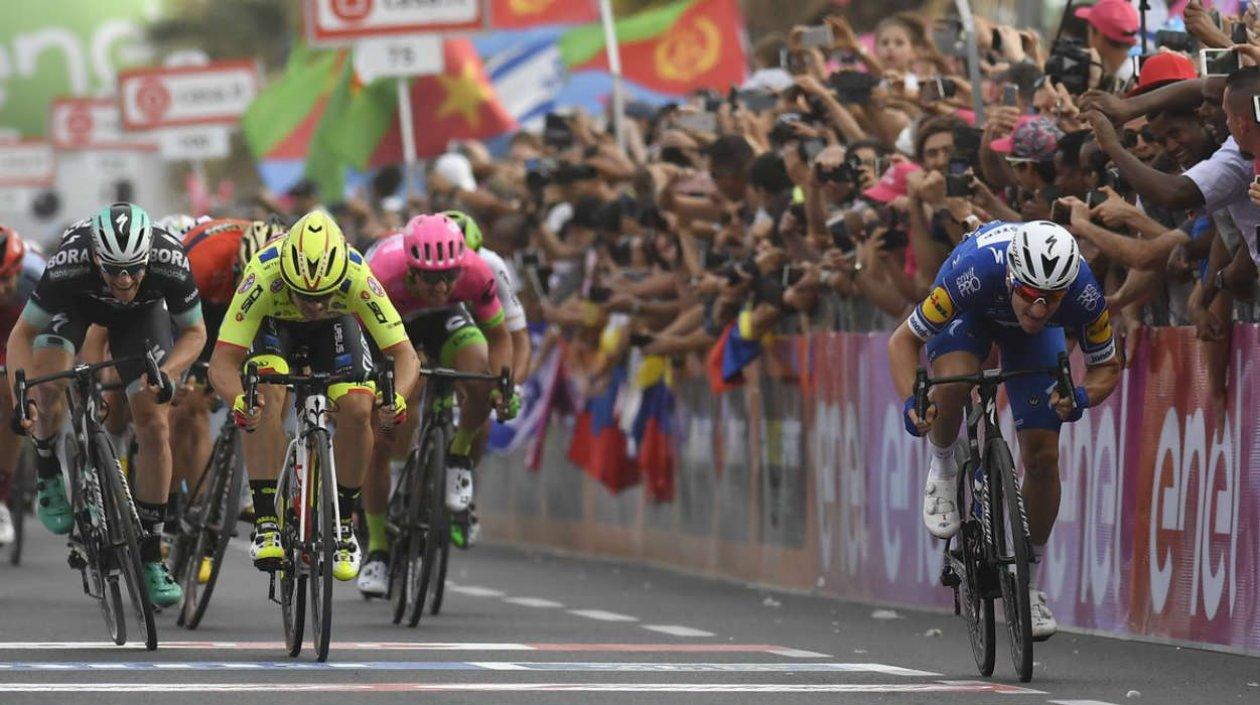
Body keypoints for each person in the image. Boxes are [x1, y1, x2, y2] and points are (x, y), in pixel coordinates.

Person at [886, 220, 1122, 640]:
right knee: (954, 382)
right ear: (1013, 276)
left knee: (1044, 456)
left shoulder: (1084, 293)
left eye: (1050, 301)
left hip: (1032, 340)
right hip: (974, 311)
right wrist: (913, 403)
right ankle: (944, 465)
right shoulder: (973, 271)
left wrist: (1082, 397)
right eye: (1030, 295)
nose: (1037, 309)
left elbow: (1107, 366)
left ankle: (1026, 585)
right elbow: (901, 342)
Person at [7, 203, 207, 606]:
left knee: (154, 424)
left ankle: (151, 553)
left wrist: (168, 373)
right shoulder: (69, 261)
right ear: (96, 256)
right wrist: (22, 397)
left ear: (148, 257)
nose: (125, 278)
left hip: (142, 318)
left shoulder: (169, 259)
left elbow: (195, 332)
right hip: (75, 307)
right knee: (48, 387)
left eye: (134, 268)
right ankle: (47, 468)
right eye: (114, 269)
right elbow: (21, 336)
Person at [208, 210, 419, 583]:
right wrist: (239, 400)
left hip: (334, 330)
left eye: (323, 296)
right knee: (265, 396)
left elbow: (405, 355)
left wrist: (398, 397)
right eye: (304, 295)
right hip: (275, 325)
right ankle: (267, 522)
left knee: (357, 407)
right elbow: (222, 363)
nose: (313, 304)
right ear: (286, 276)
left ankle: (344, 527)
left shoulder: (357, 276)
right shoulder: (262, 275)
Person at [356, 214, 517, 597]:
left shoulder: (475, 273)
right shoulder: (381, 273)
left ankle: (458, 456)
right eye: (430, 278)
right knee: (383, 432)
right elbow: (358, 343)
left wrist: (502, 386)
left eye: (449, 275)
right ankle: (377, 549)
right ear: (412, 268)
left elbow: (499, 337)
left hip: (445, 321)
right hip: (390, 321)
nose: (442, 285)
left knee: (480, 377)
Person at [172, 218, 280, 583]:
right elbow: (177, 324)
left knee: (271, 386)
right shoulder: (202, 260)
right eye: (240, 275)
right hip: (200, 310)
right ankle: (188, 508)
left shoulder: (283, 267)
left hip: (260, 311)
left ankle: (255, 483)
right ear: (236, 264)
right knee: (190, 407)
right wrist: (179, 376)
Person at [0, 226, 43, 545]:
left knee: (11, 396)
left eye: (5, 280)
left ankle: (2, 495)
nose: (0, 289)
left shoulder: (38, 274)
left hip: (23, 333)